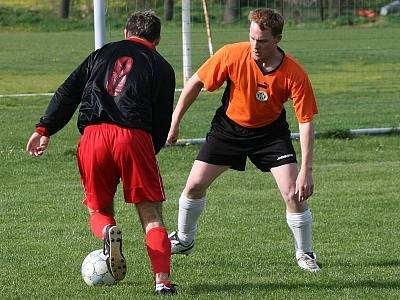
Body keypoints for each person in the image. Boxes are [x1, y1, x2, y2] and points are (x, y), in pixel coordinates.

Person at [26, 10, 177, 295]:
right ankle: (162, 281)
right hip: (134, 136)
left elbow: (68, 90)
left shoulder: (101, 53)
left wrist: (45, 129)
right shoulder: (162, 66)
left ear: (125, 32)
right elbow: (161, 119)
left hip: (93, 136)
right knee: (151, 213)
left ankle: (108, 233)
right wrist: (149, 151)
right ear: (157, 39)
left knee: (99, 208)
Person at [167, 8, 320, 272]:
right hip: (229, 129)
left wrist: (306, 170)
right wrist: (175, 121)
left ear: (277, 39)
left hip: (270, 134)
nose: (255, 45)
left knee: (293, 193)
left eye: (262, 40)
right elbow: (195, 83)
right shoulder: (231, 53)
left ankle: (305, 253)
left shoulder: (294, 73)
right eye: (251, 37)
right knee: (193, 185)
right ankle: (184, 239)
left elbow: (305, 122)